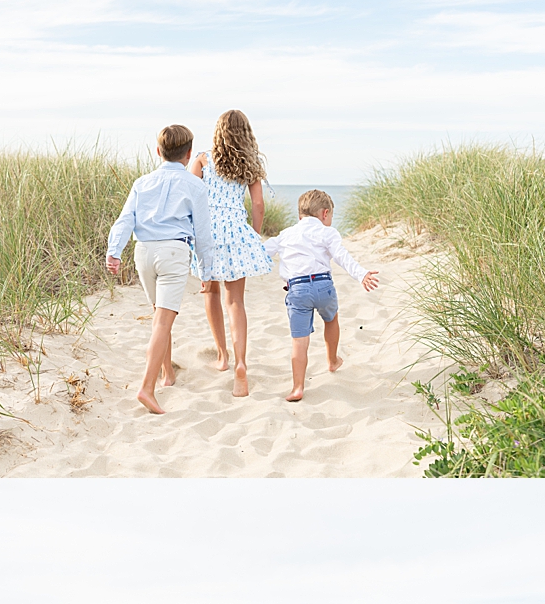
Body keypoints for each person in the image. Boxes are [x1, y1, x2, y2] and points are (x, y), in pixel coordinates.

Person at [106, 124, 216, 414]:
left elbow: (125, 219)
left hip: (143, 253)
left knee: (159, 316)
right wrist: (206, 271)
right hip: (173, 252)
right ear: (189, 154)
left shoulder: (142, 182)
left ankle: (168, 374)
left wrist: (114, 252)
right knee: (163, 322)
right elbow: (203, 234)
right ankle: (147, 387)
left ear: (158, 151)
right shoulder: (195, 185)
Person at [262, 190, 380, 402]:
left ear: (300, 215)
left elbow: (261, 252)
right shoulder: (328, 233)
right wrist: (361, 274)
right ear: (325, 214)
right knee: (331, 319)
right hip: (323, 285)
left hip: (297, 289)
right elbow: (342, 257)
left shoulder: (285, 235)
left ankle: (298, 387)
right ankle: (332, 360)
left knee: (299, 340)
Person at [189, 111, 274, 395]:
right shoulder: (250, 163)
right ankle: (241, 364)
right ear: (246, 132)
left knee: (210, 292)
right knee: (235, 301)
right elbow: (258, 205)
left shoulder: (202, 159)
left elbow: (191, 200)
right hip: (235, 230)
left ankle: (222, 356)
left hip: (208, 233)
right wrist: (254, 234)